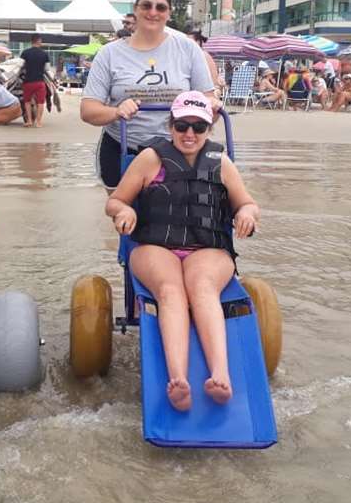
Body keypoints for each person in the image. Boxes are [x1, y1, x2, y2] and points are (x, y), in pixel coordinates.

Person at [106, 91, 259, 411]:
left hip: (207, 249)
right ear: (170, 125)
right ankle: (178, 379)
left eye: (198, 127)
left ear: (209, 129)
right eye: (181, 126)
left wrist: (246, 213)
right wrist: (124, 211)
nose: (189, 134)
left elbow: (246, 202)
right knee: (171, 291)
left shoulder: (222, 162)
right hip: (155, 247)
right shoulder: (150, 158)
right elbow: (115, 200)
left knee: (203, 289)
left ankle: (221, 375)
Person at [80, 0, 217, 189]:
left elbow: (208, 105)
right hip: (121, 147)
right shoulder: (109, 54)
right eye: (146, 6)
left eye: (160, 7)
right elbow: (88, 110)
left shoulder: (188, 50)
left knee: (174, 215)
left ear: (169, 13)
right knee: (124, 214)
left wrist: (212, 106)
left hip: (177, 149)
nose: (153, 12)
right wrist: (117, 111)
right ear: (136, 9)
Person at [19, 34, 50, 128]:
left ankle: (29, 121)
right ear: (39, 41)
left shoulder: (25, 53)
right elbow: (47, 69)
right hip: (40, 82)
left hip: (27, 82)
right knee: (40, 102)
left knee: (27, 101)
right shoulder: (44, 54)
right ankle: (38, 122)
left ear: (31, 41)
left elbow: (20, 66)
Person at [188, 29, 223, 95]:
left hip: (207, 93)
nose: (186, 43)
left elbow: (214, 80)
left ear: (197, 42)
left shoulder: (203, 55)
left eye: (189, 41)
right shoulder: (194, 55)